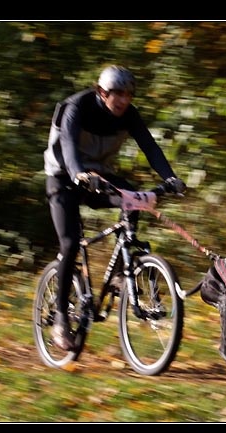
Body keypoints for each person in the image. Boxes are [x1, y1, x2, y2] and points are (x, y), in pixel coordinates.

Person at [43, 65, 186, 350]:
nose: (123, 100)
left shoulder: (129, 115)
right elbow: (69, 145)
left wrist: (169, 177)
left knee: (134, 198)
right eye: (116, 94)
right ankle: (61, 317)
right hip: (63, 177)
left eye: (128, 95)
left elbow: (150, 147)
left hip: (99, 176)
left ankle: (124, 273)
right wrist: (78, 174)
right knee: (70, 244)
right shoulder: (77, 107)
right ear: (101, 92)